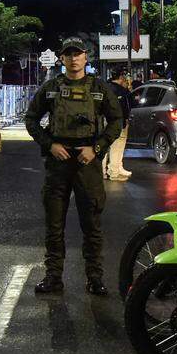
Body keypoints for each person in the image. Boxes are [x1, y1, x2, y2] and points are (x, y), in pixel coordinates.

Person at [24, 37, 123, 296]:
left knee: (92, 224)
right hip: (58, 162)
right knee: (54, 224)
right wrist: (49, 144)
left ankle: (95, 278)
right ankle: (53, 277)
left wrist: (97, 149)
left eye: (78, 54)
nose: (74, 58)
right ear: (62, 58)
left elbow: (116, 121)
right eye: (68, 54)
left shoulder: (99, 88)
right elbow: (31, 118)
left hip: (86, 162)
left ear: (85, 57)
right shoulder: (52, 88)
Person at [103, 69, 134, 181]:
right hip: (117, 122)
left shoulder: (105, 87)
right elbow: (128, 106)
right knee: (117, 146)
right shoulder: (122, 91)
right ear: (121, 78)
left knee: (104, 145)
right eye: (124, 78)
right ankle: (114, 172)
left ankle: (102, 171)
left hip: (104, 120)